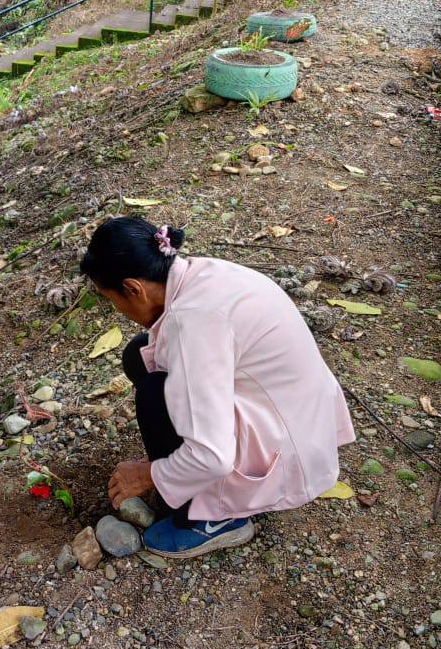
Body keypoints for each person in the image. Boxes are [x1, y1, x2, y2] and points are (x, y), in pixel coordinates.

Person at [79, 218, 355, 560]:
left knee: (154, 394)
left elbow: (213, 457)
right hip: (295, 414)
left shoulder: (195, 321)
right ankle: (191, 482)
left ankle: (213, 519)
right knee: (141, 354)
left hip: (288, 447)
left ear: (134, 288)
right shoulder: (196, 274)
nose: (118, 310)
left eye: (112, 300)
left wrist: (150, 474)